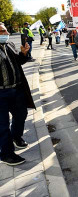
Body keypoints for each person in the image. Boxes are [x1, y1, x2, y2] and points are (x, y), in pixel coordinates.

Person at [0, 22, 36, 166]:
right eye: (2, 31)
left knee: (21, 115)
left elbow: (19, 61)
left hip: (16, 90)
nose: (6, 34)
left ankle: (17, 137)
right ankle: (7, 154)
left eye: (6, 31)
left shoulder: (9, 45)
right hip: (1, 93)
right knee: (2, 125)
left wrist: (24, 53)